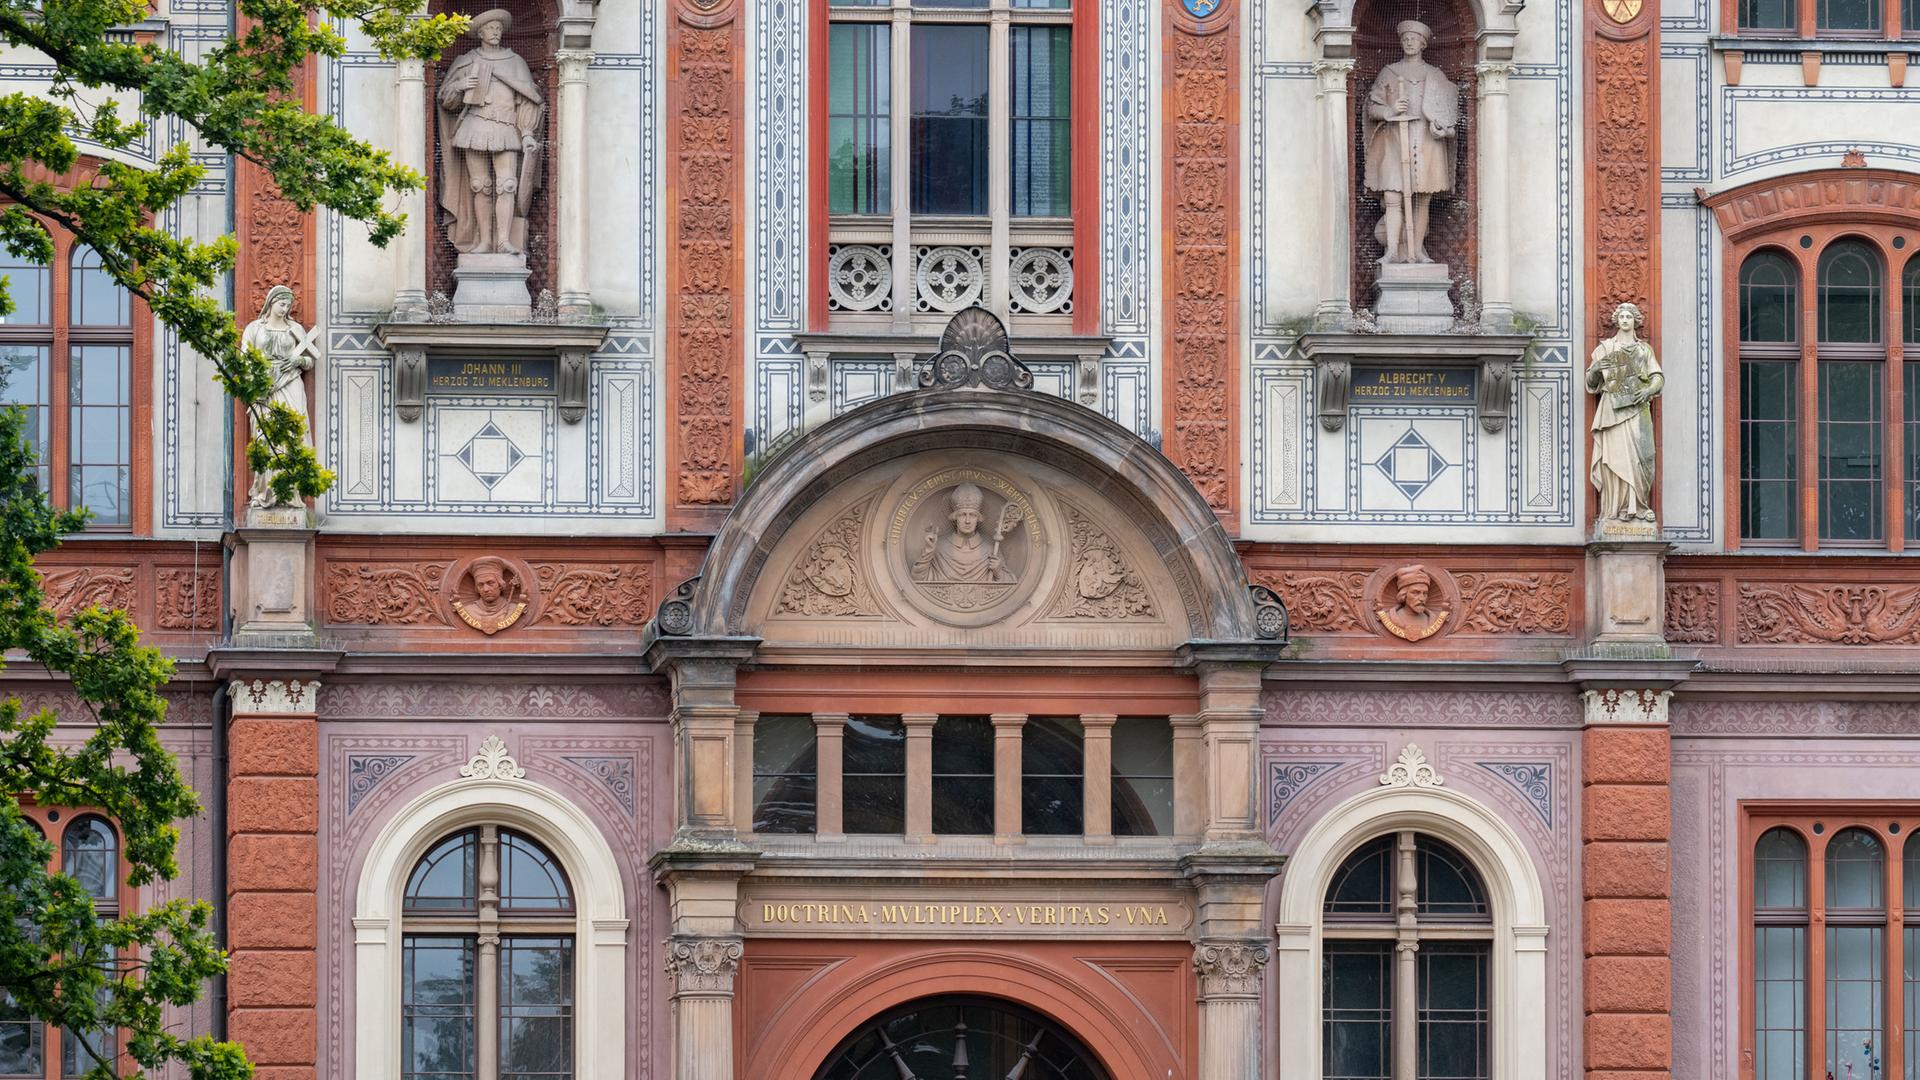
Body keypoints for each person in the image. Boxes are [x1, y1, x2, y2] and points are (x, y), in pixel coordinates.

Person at [438, 9, 544, 256]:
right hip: (475, 126)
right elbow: (446, 101)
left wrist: (527, 131)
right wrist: (460, 86)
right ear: (480, 33)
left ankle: (504, 241)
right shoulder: (466, 62)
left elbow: (529, 99)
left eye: (498, 28)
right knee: (480, 185)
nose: (495, 32)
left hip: (507, 127)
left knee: (507, 184)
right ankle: (485, 241)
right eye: (490, 28)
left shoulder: (516, 62)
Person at [1363, 20, 1459, 265]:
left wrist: (1442, 130)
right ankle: (1393, 252)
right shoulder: (1390, 72)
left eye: (1413, 39)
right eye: (1405, 39)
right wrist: (1390, 109)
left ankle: (1417, 251)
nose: (1408, 42)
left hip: (1427, 142)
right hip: (1395, 141)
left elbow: (1447, 112)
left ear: (1423, 44)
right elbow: (1371, 107)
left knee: (1421, 199)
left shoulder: (1435, 75)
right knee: (1393, 197)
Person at [1586, 301, 1664, 525]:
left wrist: (1648, 389)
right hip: (1612, 412)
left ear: (1635, 321)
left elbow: (1658, 377)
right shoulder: (1605, 348)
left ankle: (1639, 505)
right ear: (1616, 321)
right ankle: (1615, 509)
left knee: (1642, 457)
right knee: (1615, 457)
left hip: (1638, 409)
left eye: (1629, 317)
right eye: (1621, 317)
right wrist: (1597, 367)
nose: (1625, 320)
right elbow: (1590, 382)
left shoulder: (1644, 350)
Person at [242, 285, 313, 508]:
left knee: (293, 435)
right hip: (264, 387)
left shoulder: (295, 329)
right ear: (271, 303)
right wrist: (258, 381)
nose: (284, 309)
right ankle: (264, 492)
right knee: (265, 439)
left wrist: (298, 361)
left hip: (290, 384)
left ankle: (290, 494)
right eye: (281, 304)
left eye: (288, 306)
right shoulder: (254, 328)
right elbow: (244, 359)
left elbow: (310, 359)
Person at [912, 483, 1013, 584]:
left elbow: (1010, 583)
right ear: (955, 517)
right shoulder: (939, 547)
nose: (967, 521)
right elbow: (918, 579)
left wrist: (998, 572)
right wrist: (929, 551)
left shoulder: (990, 548)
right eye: (962, 515)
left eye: (973, 515)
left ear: (978, 519)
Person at [1377, 564, 1448, 641]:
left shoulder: (1432, 620)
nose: (1422, 598)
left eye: (1425, 593)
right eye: (1415, 593)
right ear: (1404, 595)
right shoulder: (1390, 617)